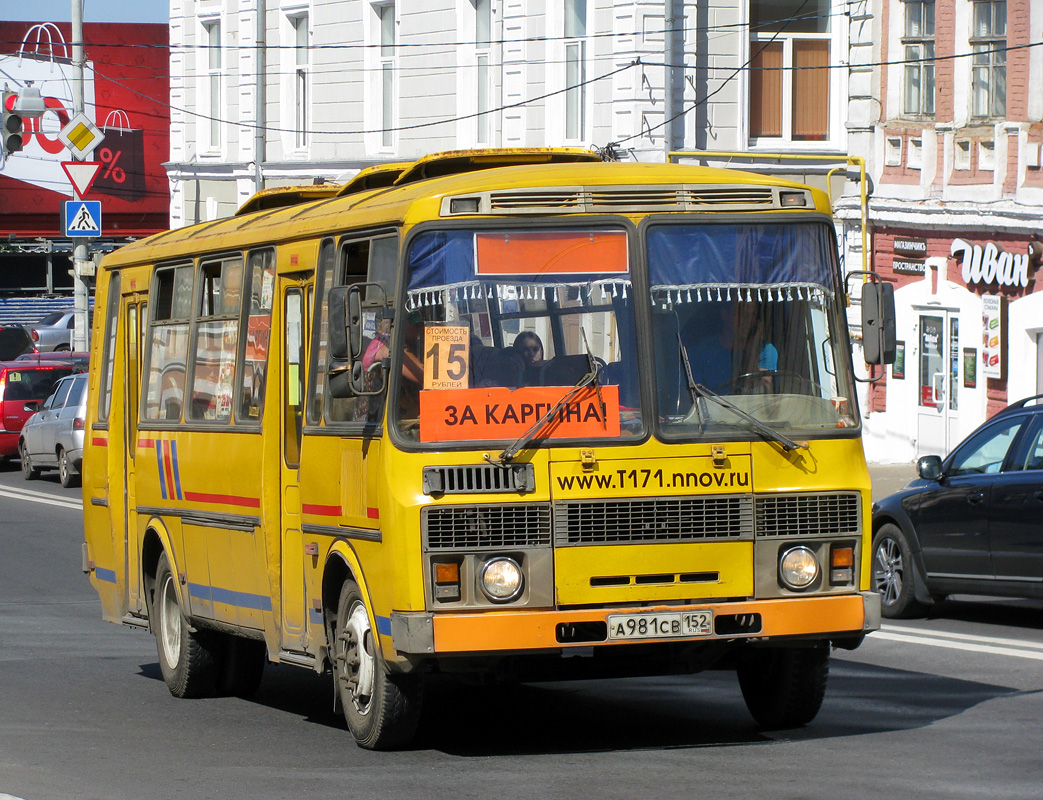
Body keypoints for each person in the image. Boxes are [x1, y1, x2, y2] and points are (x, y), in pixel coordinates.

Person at [683, 302, 777, 392]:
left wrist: (752, 347)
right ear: (725, 315)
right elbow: (689, 396)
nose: (747, 320)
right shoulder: (701, 351)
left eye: (752, 315)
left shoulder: (765, 350)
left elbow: (765, 391)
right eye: (742, 314)